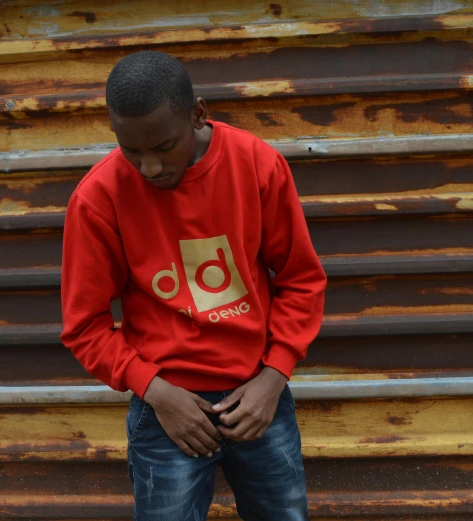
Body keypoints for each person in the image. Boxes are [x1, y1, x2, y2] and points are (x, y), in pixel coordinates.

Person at [60, 50, 327, 521]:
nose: (149, 168)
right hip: (167, 411)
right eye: (130, 150)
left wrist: (274, 376)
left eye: (164, 147)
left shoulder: (256, 165)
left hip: (259, 395)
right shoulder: (97, 199)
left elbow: (301, 279)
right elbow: (84, 326)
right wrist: (157, 393)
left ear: (199, 113)